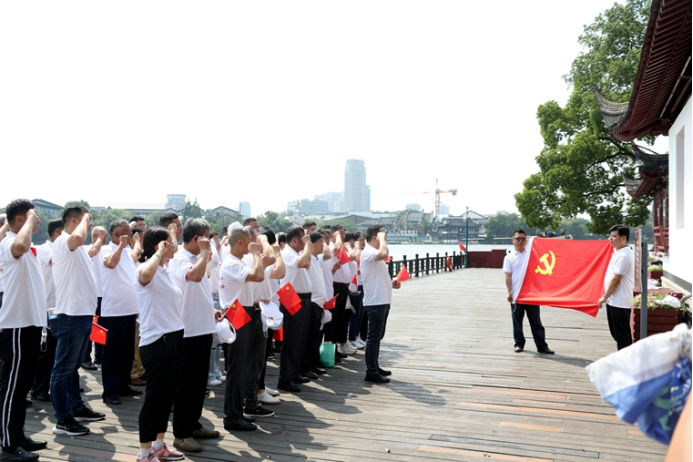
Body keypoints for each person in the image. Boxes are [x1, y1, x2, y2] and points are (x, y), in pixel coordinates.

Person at [50, 206, 106, 436]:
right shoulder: (64, 241)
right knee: (63, 370)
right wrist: (84, 221)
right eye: (86, 221)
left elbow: (88, 249)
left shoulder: (75, 247)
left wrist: (100, 241)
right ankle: (63, 420)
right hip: (71, 316)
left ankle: (76, 407)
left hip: (81, 315)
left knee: (72, 368)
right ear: (74, 220)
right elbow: (77, 237)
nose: (89, 225)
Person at [0, 200, 48, 461]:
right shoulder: (9, 243)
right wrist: (29, 217)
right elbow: (20, 244)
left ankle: (17, 435)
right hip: (16, 326)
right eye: (33, 218)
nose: (37, 222)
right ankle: (8, 444)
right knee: (12, 387)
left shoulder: (26, 247)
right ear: (21, 219)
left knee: (22, 387)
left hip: (29, 325)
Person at [169, 219, 221, 453]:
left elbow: (198, 289)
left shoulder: (195, 258)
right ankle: (180, 434)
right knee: (186, 384)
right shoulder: (181, 257)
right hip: (188, 331)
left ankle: (194, 424)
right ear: (196, 238)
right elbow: (195, 277)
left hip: (202, 327)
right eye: (206, 237)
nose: (209, 241)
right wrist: (204, 253)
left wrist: (211, 310)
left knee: (199, 383)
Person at [135, 226, 185, 462]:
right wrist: (158, 253)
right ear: (159, 247)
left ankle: (159, 444)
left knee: (167, 398)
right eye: (169, 243)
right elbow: (144, 274)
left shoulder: (164, 270)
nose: (173, 246)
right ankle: (144, 453)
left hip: (173, 337)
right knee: (154, 399)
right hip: (157, 342)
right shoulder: (147, 269)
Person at [219, 227, 264, 432]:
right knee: (237, 370)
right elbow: (258, 275)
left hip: (241, 312)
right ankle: (232, 416)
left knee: (241, 367)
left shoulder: (235, 262)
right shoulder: (231, 263)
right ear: (239, 243)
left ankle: (236, 413)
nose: (250, 246)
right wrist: (256, 254)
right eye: (248, 242)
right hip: (236, 315)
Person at [100, 219, 142, 405]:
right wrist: (122, 245)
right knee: (113, 353)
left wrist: (135, 241)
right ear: (116, 235)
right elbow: (110, 263)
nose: (129, 236)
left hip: (129, 310)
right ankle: (110, 391)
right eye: (126, 233)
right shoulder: (107, 250)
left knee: (126, 353)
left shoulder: (125, 252)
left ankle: (123, 385)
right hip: (114, 311)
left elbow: (136, 254)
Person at [360, 225, 401, 384]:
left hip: (382, 300)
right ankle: (371, 371)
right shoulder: (369, 251)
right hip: (375, 302)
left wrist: (390, 283)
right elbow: (384, 253)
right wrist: (382, 238)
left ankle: (374, 366)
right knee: (373, 338)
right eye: (383, 236)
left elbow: (375, 277)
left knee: (378, 337)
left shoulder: (372, 254)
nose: (386, 238)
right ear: (375, 237)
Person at [503, 230, 554, 354]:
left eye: (523, 239)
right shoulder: (509, 257)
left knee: (536, 321)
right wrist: (509, 292)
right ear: (512, 240)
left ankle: (541, 346)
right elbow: (508, 276)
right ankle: (519, 344)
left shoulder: (532, 254)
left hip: (531, 294)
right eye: (518, 239)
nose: (520, 241)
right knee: (517, 321)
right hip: (517, 294)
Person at [277, 226, 312, 393]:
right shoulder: (288, 253)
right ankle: (286, 378)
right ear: (294, 240)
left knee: (300, 339)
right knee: (292, 340)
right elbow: (305, 262)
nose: (305, 240)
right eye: (303, 238)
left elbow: (306, 263)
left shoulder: (295, 253)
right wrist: (309, 244)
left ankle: (294, 372)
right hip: (291, 296)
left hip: (299, 296)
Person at [31, 219, 63, 403]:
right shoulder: (45, 248)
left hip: (62, 307)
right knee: (47, 351)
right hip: (48, 308)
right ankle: (39, 388)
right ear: (58, 232)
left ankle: (55, 384)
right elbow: (56, 262)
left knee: (58, 351)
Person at [598, 224, 635, 351]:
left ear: (623, 238)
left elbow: (616, 280)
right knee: (617, 334)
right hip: (613, 300)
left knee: (622, 336)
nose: (610, 239)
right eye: (610, 236)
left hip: (619, 301)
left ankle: (627, 365)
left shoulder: (624, 255)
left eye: (614, 236)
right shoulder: (618, 252)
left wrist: (604, 297)